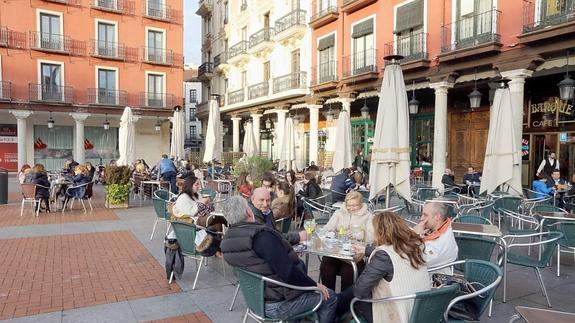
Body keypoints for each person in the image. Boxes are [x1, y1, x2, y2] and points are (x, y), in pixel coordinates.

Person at [221, 196, 338, 323]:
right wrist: (314, 285)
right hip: (278, 304)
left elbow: (258, 264)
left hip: (255, 300)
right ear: (248, 212)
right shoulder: (260, 236)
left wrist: (285, 254)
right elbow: (288, 272)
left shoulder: (227, 241)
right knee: (330, 296)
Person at [339, 212, 431, 322]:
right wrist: (365, 250)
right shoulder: (416, 245)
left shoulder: (383, 255)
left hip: (396, 314)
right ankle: (334, 303)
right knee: (347, 296)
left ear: (380, 232)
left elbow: (360, 291)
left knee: (352, 296)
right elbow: (397, 254)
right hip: (420, 311)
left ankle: (332, 308)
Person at [320, 191, 374, 292]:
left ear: (361, 204)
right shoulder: (339, 213)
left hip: (354, 254)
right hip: (336, 252)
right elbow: (327, 228)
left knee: (348, 273)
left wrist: (358, 233)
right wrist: (330, 232)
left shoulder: (368, 216)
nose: (351, 208)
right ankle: (329, 297)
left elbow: (372, 237)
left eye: (354, 205)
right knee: (326, 266)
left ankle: (344, 302)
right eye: (348, 205)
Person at [413, 201, 458, 273]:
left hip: (431, 280)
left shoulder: (442, 242)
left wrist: (415, 236)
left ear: (437, 217)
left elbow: (417, 260)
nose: (421, 218)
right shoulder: (437, 231)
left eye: (425, 215)